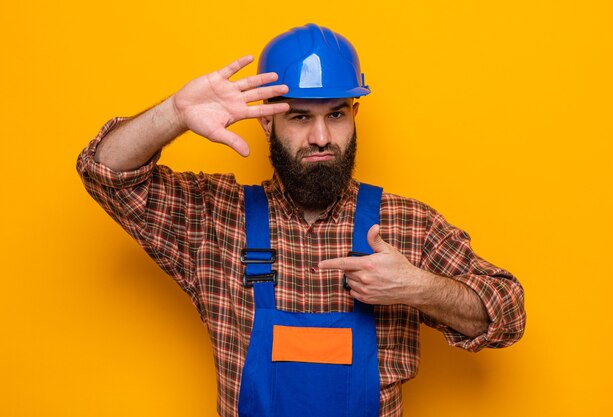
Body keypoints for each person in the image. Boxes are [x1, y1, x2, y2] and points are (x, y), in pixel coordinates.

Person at [77, 23, 525, 417]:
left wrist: (418, 288)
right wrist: (175, 113)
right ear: (267, 122)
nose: (320, 137)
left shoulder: (405, 223)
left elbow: (508, 312)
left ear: (355, 115)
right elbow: (105, 173)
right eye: (298, 117)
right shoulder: (214, 219)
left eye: (336, 114)